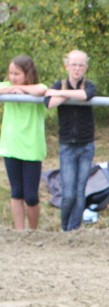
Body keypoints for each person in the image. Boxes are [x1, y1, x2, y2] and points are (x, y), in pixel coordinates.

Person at [45, 49, 97, 231]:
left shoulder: (88, 85)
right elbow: (49, 102)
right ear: (67, 66)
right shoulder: (59, 84)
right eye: (74, 64)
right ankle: (64, 228)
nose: (77, 68)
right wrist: (62, 93)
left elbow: (86, 95)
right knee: (68, 193)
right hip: (67, 145)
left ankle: (74, 229)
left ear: (86, 67)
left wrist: (62, 94)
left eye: (81, 65)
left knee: (80, 191)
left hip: (86, 145)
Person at [0, 55, 48, 230]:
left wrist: (21, 89)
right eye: (11, 73)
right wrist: (11, 90)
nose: (13, 78)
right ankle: (20, 232)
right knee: (16, 193)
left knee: (31, 196)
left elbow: (42, 90)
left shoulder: (37, 88)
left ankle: (33, 231)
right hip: (11, 147)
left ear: (28, 74)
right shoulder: (6, 87)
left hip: (31, 149)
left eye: (17, 74)